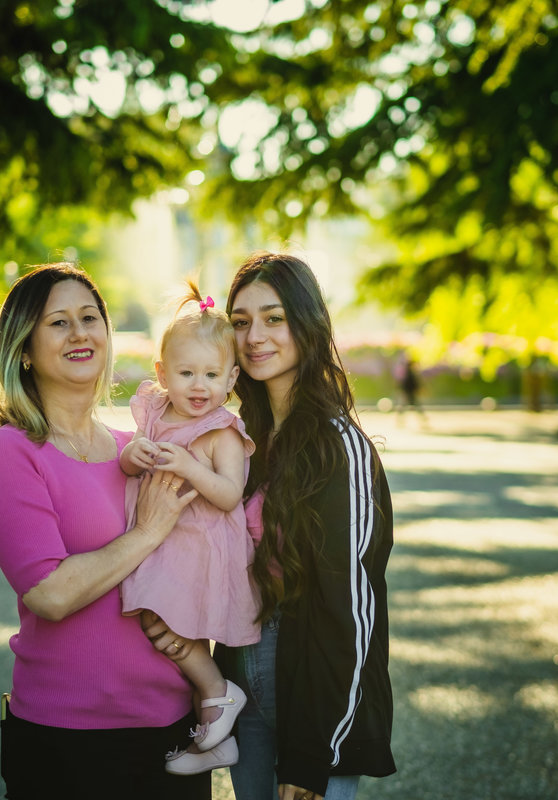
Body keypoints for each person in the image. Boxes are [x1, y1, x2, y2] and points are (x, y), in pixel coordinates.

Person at [144, 252, 397, 800]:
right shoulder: (235, 438)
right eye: (240, 321)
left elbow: (352, 607)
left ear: (306, 324)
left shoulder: (338, 445)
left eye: (274, 318)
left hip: (307, 671)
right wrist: (180, 624)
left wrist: (313, 756)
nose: (255, 335)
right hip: (239, 659)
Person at [0, 262, 209, 799]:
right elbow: (50, 594)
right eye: (58, 323)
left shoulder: (138, 446)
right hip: (69, 740)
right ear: (25, 348)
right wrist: (146, 533)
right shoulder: (8, 453)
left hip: (173, 728)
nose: (80, 333)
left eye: (89, 317)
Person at [119, 282, 260, 774]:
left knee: (168, 626)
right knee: (158, 625)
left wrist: (191, 466)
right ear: (162, 374)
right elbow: (136, 467)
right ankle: (217, 728)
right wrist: (132, 456)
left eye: (211, 374)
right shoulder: (155, 414)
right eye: (186, 373)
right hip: (160, 542)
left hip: (201, 548)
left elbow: (228, 495)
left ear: (232, 377)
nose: (199, 386)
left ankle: (219, 694)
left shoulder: (223, 430)